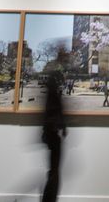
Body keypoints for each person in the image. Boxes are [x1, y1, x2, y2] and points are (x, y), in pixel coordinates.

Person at [41, 71, 67, 202]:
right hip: (53, 135)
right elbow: (53, 114)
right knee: (54, 170)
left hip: (52, 134)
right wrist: (61, 126)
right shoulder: (53, 95)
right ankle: (49, 198)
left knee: (54, 170)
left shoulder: (52, 93)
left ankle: (49, 197)